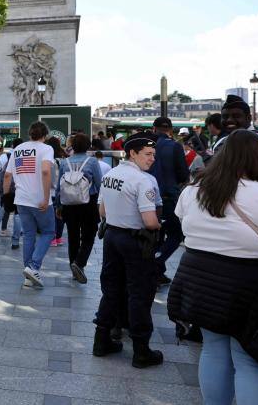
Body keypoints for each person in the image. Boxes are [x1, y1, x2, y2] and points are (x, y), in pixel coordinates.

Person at [168, 130, 258, 404]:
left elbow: (182, 221)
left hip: (199, 279)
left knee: (213, 349)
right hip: (248, 284)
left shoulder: (194, 191)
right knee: (248, 359)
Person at [92, 132, 164, 369]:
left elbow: (102, 211)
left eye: (153, 154)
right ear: (132, 153)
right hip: (136, 240)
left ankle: (101, 340)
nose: (152, 158)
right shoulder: (143, 181)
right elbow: (150, 220)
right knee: (139, 293)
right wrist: (160, 227)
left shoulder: (110, 174)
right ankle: (141, 350)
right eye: (147, 154)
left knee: (111, 289)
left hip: (112, 236)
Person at [3, 122, 55, 288]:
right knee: (48, 232)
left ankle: (28, 274)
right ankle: (33, 267)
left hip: (21, 199)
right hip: (39, 198)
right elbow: (46, 171)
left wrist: (5, 196)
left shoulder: (17, 150)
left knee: (29, 235)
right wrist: (46, 198)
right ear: (44, 135)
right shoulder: (46, 149)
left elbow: (7, 175)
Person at [148, 117, 190, 286]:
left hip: (148, 197)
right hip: (168, 197)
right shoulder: (175, 146)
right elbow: (183, 175)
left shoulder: (147, 146)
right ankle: (157, 264)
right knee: (176, 234)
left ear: (154, 128)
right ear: (170, 130)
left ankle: (158, 271)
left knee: (156, 235)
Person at [56, 133, 102, 284]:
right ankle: (80, 263)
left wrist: (58, 205)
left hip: (69, 204)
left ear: (72, 146)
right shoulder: (93, 161)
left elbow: (59, 187)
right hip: (88, 203)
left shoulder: (64, 162)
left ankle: (73, 267)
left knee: (73, 236)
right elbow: (99, 183)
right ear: (88, 145)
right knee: (89, 235)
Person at [46, 137, 67, 247]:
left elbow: (50, 179)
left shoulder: (50, 161)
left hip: (52, 192)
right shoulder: (63, 160)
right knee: (60, 216)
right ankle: (58, 237)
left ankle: (53, 238)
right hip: (62, 192)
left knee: (52, 217)